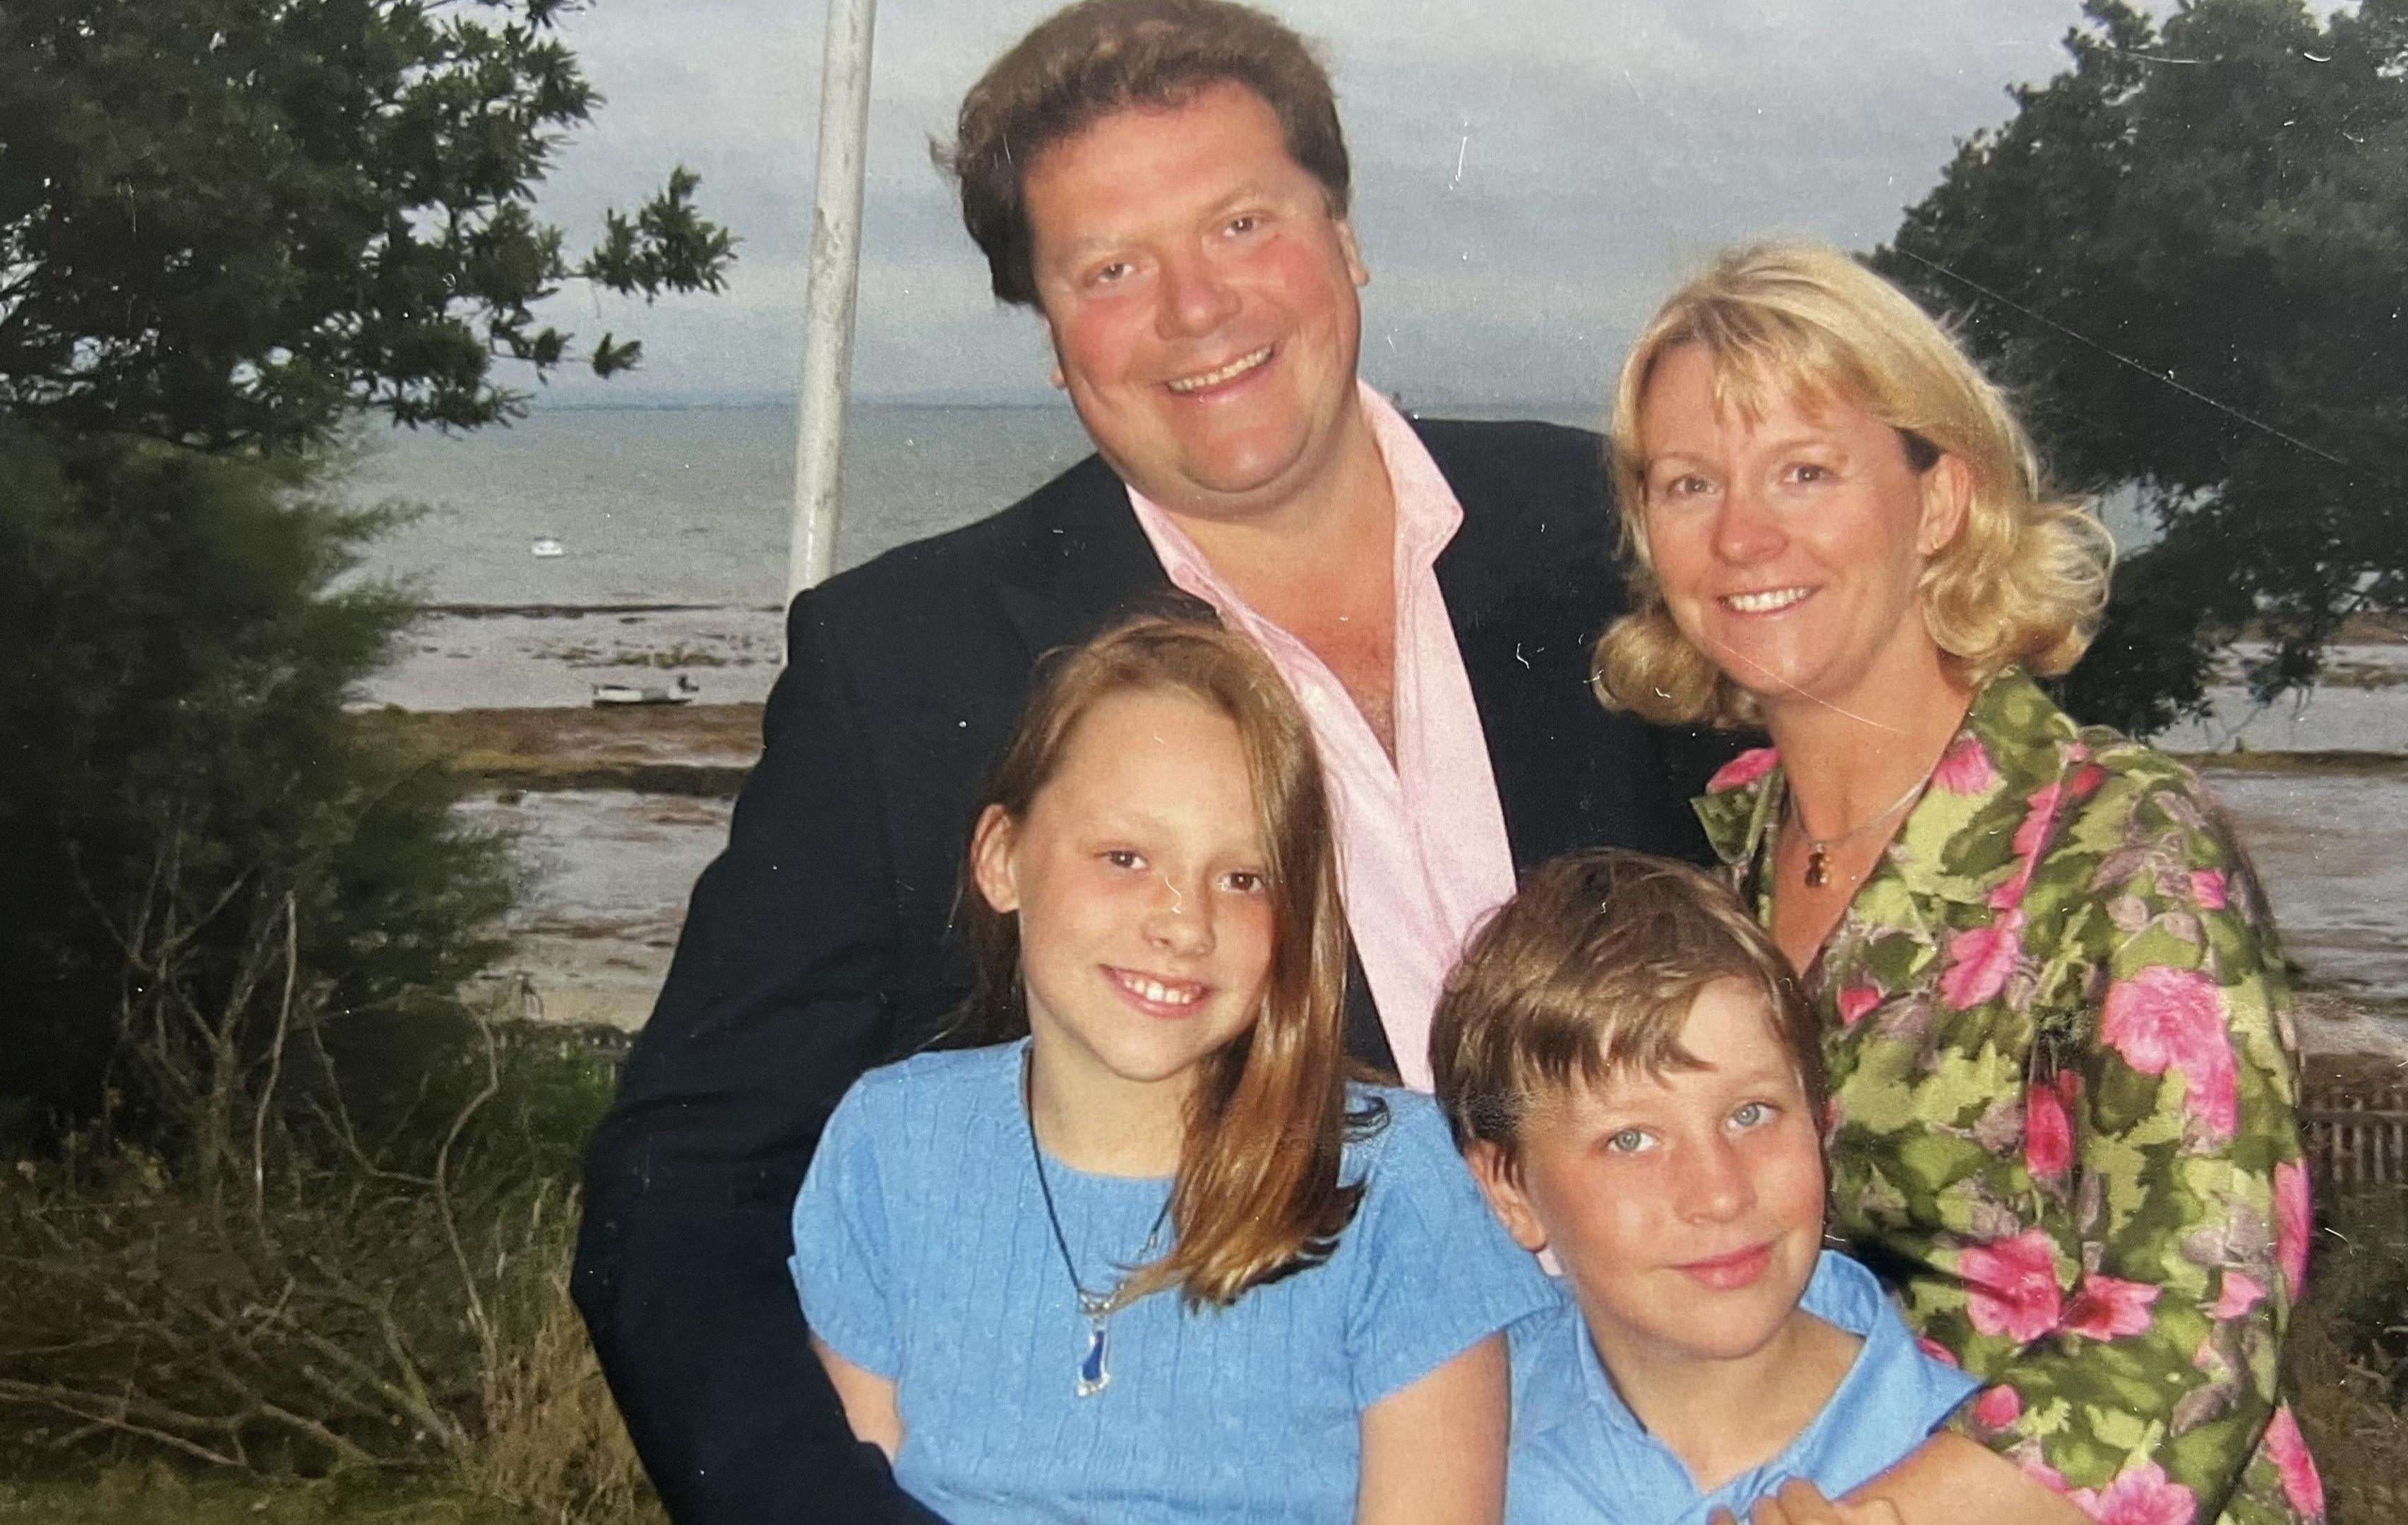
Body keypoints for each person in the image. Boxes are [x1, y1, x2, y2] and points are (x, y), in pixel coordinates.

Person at [573, 4, 1713, 1519]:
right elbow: (683, 1189)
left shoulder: (1618, 532)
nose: (1194, 308)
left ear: (1345, 235)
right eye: (1109, 269)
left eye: (1241, 223)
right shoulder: (909, 666)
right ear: (1054, 341)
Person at [1591, 245, 2324, 1524]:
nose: (1742, 535)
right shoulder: (1714, 865)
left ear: (1940, 504)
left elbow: (2205, 1318)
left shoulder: (2120, 847)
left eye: (1805, 472)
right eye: (1689, 484)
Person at [791, 617, 1542, 1524]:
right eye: (1126, 859)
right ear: (1002, 859)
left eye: (1243, 878)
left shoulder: (1393, 1181)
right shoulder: (893, 1144)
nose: (1184, 924)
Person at [1431, 849, 2087, 1525]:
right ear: (1509, 1190)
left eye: (1751, 1115)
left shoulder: (1982, 1476)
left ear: (1818, 1118)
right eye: (1631, 1140)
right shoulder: (1448, 1447)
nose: (1721, 1194)